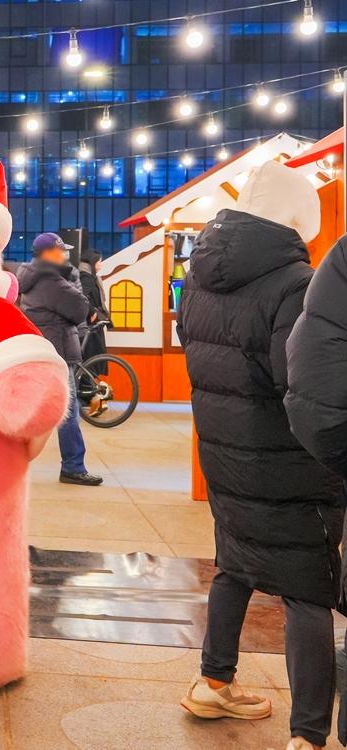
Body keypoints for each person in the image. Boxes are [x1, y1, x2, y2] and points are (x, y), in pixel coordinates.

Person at [176, 161, 341, 750]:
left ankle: (213, 682)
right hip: (288, 462)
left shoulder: (199, 273)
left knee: (236, 564)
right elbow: (299, 383)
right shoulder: (296, 283)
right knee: (308, 589)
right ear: (298, 218)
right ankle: (309, 735)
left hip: (225, 455)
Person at [285, 233, 347, 750]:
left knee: (297, 591)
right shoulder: (293, 279)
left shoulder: (340, 261)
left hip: (268, 462)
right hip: (292, 471)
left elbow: (317, 397)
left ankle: (308, 732)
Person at [17, 232, 103, 486]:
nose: (65, 254)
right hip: (57, 351)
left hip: (44, 348)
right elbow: (79, 309)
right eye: (60, 251)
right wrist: (73, 279)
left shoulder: (33, 276)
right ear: (48, 254)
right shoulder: (50, 279)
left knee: (34, 407)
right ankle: (73, 466)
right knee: (67, 409)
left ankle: (9, 459)